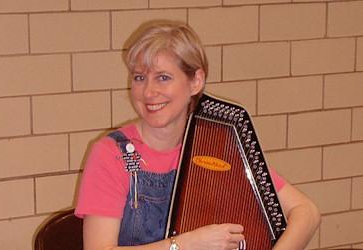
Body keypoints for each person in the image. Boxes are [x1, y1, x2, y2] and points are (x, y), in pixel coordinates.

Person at [74, 20, 320, 250]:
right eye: (139, 78)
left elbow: (307, 212)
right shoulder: (111, 154)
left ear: (196, 81)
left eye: (163, 77)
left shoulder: (217, 145)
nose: (148, 92)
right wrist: (183, 245)